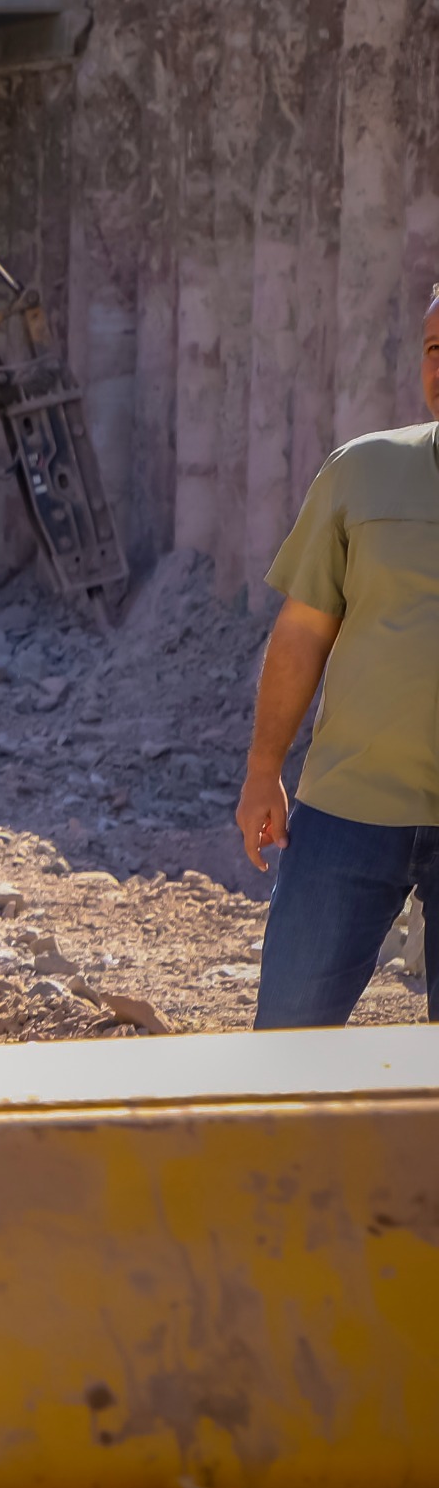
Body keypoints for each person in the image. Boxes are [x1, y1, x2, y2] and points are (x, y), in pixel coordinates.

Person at [238, 285, 439, 1028]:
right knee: (288, 1048)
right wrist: (265, 771)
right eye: (432, 349)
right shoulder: (362, 472)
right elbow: (302, 632)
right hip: (350, 809)